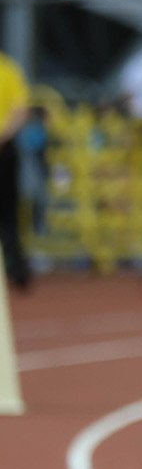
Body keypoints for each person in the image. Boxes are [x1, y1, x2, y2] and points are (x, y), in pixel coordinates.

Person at [0, 48, 31, 291]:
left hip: (4, 150)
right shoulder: (9, 69)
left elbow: (21, 111)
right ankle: (16, 270)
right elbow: (20, 112)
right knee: (9, 213)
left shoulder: (8, 70)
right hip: (5, 147)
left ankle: (16, 268)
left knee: (8, 211)